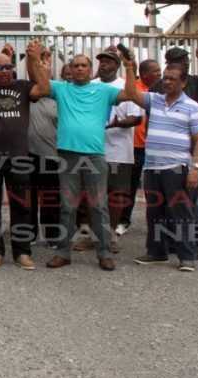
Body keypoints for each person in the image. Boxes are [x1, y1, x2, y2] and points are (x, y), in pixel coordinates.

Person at [44, 50, 137, 271]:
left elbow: (132, 94)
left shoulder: (103, 90)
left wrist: (130, 67)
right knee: (68, 206)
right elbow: (40, 82)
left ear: (89, 69)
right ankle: (63, 253)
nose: (79, 69)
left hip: (95, 155)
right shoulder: (61, 89)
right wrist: (35, 59)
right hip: (67, 154)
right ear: (71, 71)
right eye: (75, 66)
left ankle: (104, 253)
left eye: (83, 65)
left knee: (99, 206)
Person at [0, 40, 49, 270]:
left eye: (8, 67)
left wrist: (33, 59)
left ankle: (22, 252)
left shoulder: (23, 86)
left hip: (19, 156)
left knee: (21, 206)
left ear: (13, 68)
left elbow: (44, 88)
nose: (4, 71)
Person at [148, 46, 198, 260]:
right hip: (164, 153)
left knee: (193, 201)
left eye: (184, 60)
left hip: (192, 147)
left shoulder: (197, 82)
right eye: (177, 61)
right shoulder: (159, 85)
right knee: (165, 203)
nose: (183, 64)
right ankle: (170, 244)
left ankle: (197, 245)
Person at [128, 65, 198, 271]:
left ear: (183, 83)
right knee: (154, 213)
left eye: (172, 79)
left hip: (176, 168)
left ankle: (186, 257)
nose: (167, 82)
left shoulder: (193, 107)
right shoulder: (155, 100)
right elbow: (130, 93)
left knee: (180, 213)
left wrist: (195, 169)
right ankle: (157, 253)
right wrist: (129, 67)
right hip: (152, 168)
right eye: (165, 78)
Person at [73, 48, 143, 254]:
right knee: (88, 195)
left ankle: (109, 236)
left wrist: (112, 125)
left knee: (115, 196)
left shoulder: (124, 86)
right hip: (89, 149)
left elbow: (136, 117)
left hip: (118, 152)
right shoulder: (90, 86)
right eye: (101, 61)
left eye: (109, 61)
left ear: (117, 65)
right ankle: (89, 236)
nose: (104, 64)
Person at [118, 59, 161, 234]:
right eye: (156, 71)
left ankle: (158, 224)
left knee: (155, 188)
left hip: (153, 147)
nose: (160, 74)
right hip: (134, 146)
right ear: (144, 74)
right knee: (129, 186)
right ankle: (123, 221)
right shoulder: (131, 87)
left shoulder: (162, 90)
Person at [27, 48, 61, 249]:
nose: (41, 70)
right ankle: (29, 233)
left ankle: (53, 235)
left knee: (51, 198)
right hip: (28, 154)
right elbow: (32, 70)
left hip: (52, 156)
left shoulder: (59, 95)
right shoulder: (29, 92)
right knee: (28, 197)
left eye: (45, 68)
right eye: (38, 68)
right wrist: (34, 58)